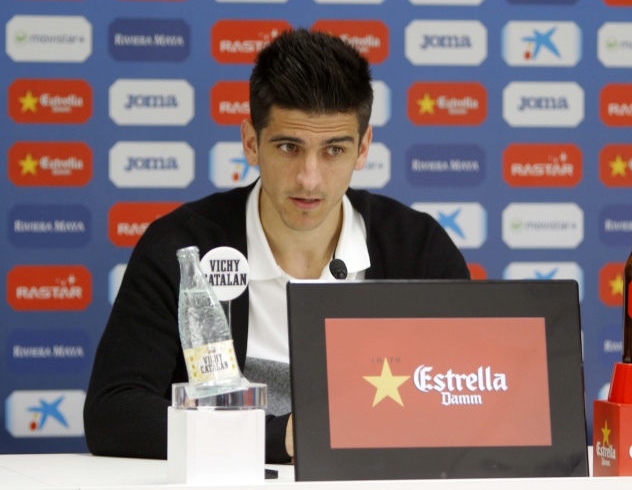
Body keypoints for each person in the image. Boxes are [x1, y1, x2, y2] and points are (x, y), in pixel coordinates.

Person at [83, 28, 470, 464]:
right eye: (289, 147)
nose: (309, 178)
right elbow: (113, 413)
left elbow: (471, 403)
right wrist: (283, 437)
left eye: (334, 150)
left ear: (363, 149)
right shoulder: (181, 246)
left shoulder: (419, 249)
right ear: (251, 143)